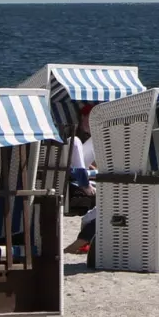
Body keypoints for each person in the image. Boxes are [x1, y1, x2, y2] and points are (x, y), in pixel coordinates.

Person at [64, 105, 98, 254]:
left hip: (80, 173)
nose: (94, 123)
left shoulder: (88, 138)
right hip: (72, 177)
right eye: (91, 118)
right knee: (76, 140)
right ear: (83, 117)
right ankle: (84, 183)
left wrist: (90, 166)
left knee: (97, 138)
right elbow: (74, 162)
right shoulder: (74, 136)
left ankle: (85, 240)